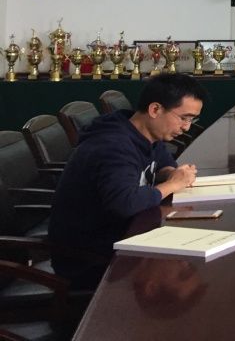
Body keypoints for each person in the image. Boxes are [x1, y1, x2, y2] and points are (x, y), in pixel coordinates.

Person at [49, 73, 207, 288]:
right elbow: (124, 203)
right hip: (90, 259)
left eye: (192, 120)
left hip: (122, 236)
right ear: (155, 110)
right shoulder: (113, 145)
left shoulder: (143, 131)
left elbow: (162, 162)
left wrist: (172, 173)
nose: (187, 127)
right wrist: (172, 184)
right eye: (184, 118)